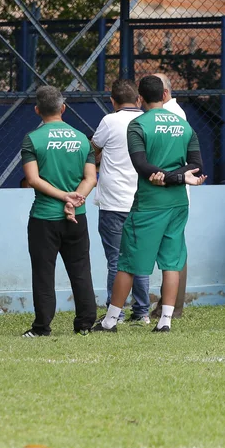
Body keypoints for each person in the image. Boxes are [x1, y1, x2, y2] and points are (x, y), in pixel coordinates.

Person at [93, 75, 206, 333]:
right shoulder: (183, 124)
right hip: (178, 204)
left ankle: (110, 320)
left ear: (140, 98)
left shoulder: (138, 124)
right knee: (171, 262)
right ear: (165, 95)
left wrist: (165, 177)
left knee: (129, 263)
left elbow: (141, 165)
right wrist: (178, 177)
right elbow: (197, 164)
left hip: (148, 204)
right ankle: (165, 320)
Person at [20, 86, 98, 337]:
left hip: (44, 217)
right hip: (78, 215)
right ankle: (85, 324)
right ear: (63, 108)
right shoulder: (82, 138)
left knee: (44, 273)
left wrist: (64, 197)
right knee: (81, 269)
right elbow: (91, 179)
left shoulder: (32, 139)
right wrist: (75, 199)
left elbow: (32, 179)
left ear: (37, 110)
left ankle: (42, 327)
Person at [91, 79, 150, 324]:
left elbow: (93, 148)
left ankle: (116, 311)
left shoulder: (109, 120)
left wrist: (102, 156)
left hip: (113, 201)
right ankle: (143, 311)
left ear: (112, 101)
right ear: (139, 100)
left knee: (115, 259)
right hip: (142, 200)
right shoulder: (148, 121)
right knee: (141, 258)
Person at [149, 72, 192, 320]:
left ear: (164, 93)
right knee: (171, 247)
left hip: (169, 188)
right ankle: (170, 304)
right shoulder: (173, 113)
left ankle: (173, 305)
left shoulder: (172, 115)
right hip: (170, 187)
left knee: (173, 249)